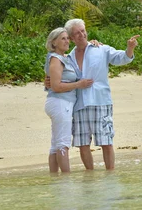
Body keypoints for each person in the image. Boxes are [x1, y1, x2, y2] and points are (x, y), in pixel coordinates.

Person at [64, 18, 139, 170]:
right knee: (82, 143)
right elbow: (61, 78)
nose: (81, 35)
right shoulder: (68, 58)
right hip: (79, 104)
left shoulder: (101, 49)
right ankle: (90, 176)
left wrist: (130, 48)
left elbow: (121, 58)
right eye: (77, 33)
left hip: (101, 101)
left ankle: (110, 176)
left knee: (106, 141)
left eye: (83, 31)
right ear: (71, 38)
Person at [44, 27, 94, 173]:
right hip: (60, 102)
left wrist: (94, 42)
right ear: (54, 43)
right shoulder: (56, 59)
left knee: (56, 145)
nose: (66, 41)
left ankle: (54, 179)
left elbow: (51, 81)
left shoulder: (64, 58)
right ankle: (66, 180)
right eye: (62, 39)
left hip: (61, 103)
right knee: (63, 144)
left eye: (67, 38)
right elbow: (56, 86)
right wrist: (79, 84)